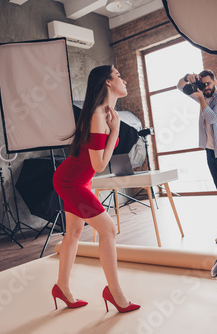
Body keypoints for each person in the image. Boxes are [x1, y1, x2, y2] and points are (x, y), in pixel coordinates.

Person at [52, 65, 140, 313]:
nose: (124, 80)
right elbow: (99, 164)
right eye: (119, 76)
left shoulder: (104, 113)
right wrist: (116, 132)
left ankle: (62, 287)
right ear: (107, 83)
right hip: (71, 181)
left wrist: (114, 130)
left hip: (78, 180)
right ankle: (115, 293)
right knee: (109, 229)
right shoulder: (98, 116)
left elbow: (93, 166)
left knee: (74, 233)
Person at [177, 69, 217, 243]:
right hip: (211, 149)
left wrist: (200, 99)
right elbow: (179, 86)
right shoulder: (202, 95)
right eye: (202, 84)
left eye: (208, 83)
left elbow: (212, 118)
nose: (205, 87)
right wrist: (187, 78)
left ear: (215, 81)